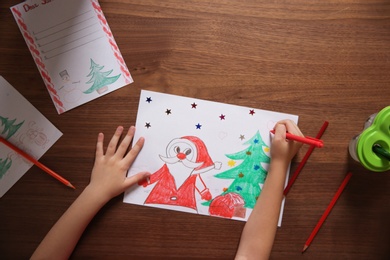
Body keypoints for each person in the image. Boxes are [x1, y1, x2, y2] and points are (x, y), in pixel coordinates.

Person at [31, 120, 303, 259]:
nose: (182, 157)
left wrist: (96, 192)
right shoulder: (169, 171)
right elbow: (250, 255)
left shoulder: (192, 175)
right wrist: (279, 164)